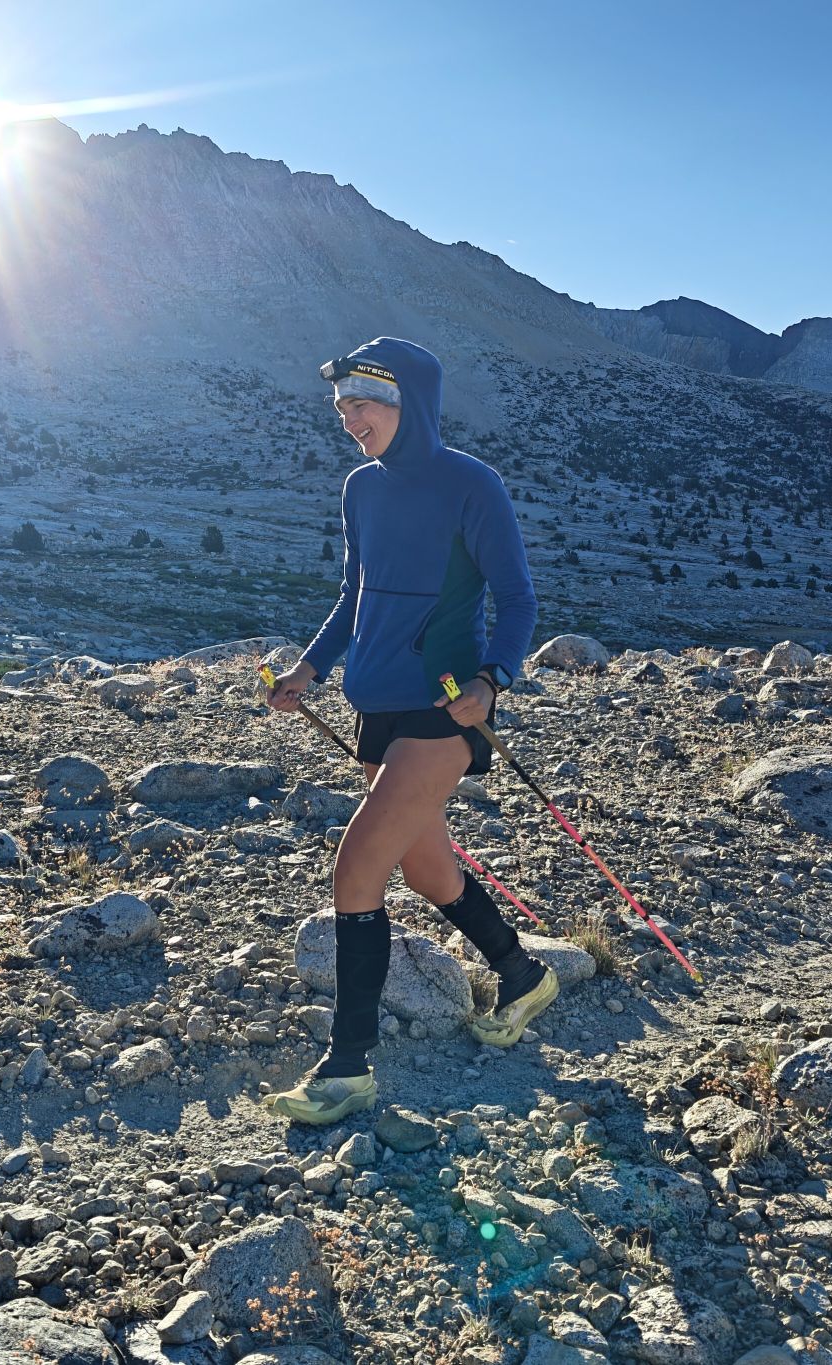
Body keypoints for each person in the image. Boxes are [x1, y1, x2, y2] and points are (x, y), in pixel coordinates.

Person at [263, 337, 553, 1125]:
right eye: (342, 406)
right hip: (375, 707)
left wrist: (494, 680)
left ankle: (348, 1064)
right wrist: (309, 671)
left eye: (364, 402)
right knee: (429, 871)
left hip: (443, 708)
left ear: (410, 402)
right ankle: (523, 976)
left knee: (357, 868)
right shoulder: (360, 488)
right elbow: (353, 596)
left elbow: (518, 598)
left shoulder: (471, 484)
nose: (349, 418)